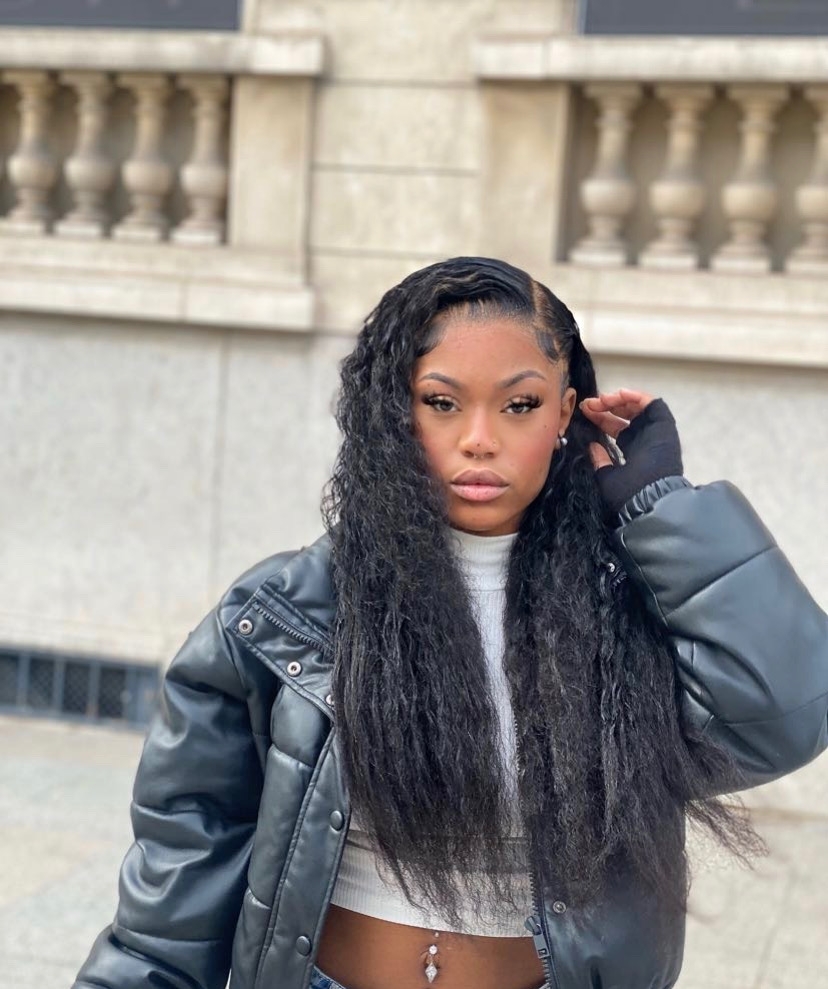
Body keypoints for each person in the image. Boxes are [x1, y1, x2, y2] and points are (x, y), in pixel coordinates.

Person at [72, 257, 828, 989]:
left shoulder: (627, 612)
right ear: (395, 413)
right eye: (441, 402)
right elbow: (178, 881)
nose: (479, 438)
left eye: (519, 405)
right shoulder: (281, 616)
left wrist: (659, 507)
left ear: (565, 414)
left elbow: (787, 716)